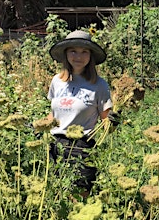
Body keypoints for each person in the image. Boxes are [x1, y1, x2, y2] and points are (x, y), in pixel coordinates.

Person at [46, 30, 118, 199]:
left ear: (90, 56)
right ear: (66, 54)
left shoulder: (99, 85)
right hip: (56, 145)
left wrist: (114, 121)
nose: (78, 56)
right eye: (73, 51)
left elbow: (105, 121)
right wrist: (37, 126)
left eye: (84, 52)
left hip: (82, 147)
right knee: (57, 198)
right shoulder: (57, 81)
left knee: (79, 198)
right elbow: (53, 115)